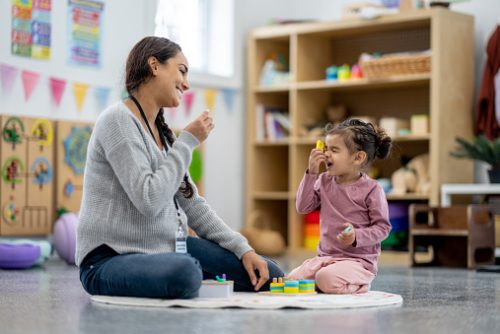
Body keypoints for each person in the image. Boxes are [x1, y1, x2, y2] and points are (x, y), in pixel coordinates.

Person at [76, 36, 284, 299]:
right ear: (154, 65)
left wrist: (244, 249)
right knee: (185, 272)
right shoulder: (117, 120)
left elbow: (193, 205)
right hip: (107, 260)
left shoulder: (163, 135)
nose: (186, 84)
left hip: (166, 250)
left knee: (271, 275)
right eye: (182, 71)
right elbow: (149, 200)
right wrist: (188, 141)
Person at [287, 118, 392, 294]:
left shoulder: (372, 189)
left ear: (358, 157)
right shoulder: (324, 180)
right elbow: (303, 207)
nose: (326, 154)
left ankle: (360, 284)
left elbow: (383, 228)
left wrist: (356, 236)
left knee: (324, 279)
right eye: (326, 149)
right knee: (292, 280)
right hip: (325, 258)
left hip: (358, 262)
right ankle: (326, 280)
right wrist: (311, 172)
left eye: (334, 150)